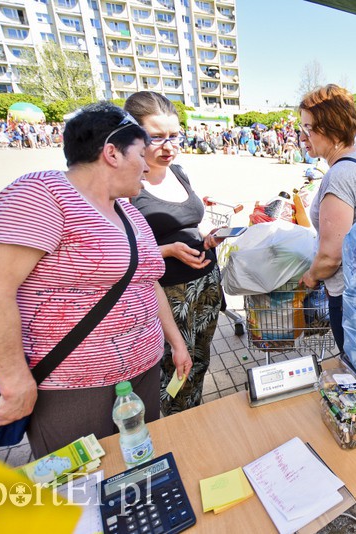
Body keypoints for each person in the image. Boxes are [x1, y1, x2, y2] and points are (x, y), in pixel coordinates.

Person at [0, 102, 191, 458]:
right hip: (73, 386)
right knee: (82, 484)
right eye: (141, 154)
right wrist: (14, 381)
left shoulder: (128, 210)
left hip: (141, 372)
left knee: (139, 467)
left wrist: (174, 341)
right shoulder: (42, 195)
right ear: (112, 153)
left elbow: (147, 282)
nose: (148, 166)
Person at [124, 91, 224, 416]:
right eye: (156, 137)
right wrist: (168, 250)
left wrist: (208, 236)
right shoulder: (127, 185)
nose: (168, 146)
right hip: (169, 295)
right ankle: (174, 427)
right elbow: (123, 254)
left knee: (199, 361)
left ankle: (193, 415)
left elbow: (192, 219)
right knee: (174, 367)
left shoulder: (179, 171)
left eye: (174, 136)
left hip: (206, 283)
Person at [299, 84, 356, 353]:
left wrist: (311, 277)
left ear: (330, 129)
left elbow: (330, 257)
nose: (303, 137)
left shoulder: (341, 175)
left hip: (350, 297)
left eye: (307, 128)